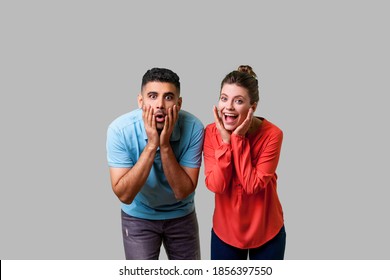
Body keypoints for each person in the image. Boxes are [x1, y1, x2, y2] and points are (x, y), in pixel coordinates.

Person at [106, 67, 204, 260]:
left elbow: (182, 191)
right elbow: (124, 195)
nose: (160, 104)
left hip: (181, 214)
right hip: (138, 216)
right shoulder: (119, 130)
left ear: (179, 103)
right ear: (140, 101)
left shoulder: (194, 128)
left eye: (168, 97)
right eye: (152, 96)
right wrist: (152, 145)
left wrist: (164, 145)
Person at [203, 65, 286, 260]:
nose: (228, 107)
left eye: (238, 101)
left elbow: (252, 185)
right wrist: (225, 142)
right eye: (224, 98)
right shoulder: (211, 133)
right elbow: (216, 185)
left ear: (253, 107)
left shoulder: (273, 135)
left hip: (267, 231)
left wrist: (237, 138)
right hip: (225, 233)